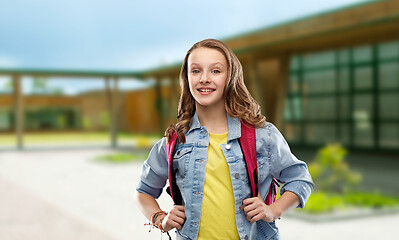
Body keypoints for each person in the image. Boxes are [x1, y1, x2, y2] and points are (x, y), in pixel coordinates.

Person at [134, 39, 314, 240]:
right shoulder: (175, 142)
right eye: (195, 71)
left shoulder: (263, 135)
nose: (204, 78)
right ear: (186, 78)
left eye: (215, 71)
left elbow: (300, 180)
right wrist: (160, 219)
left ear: (231, 77)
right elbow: (143, 192)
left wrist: (273, 210)